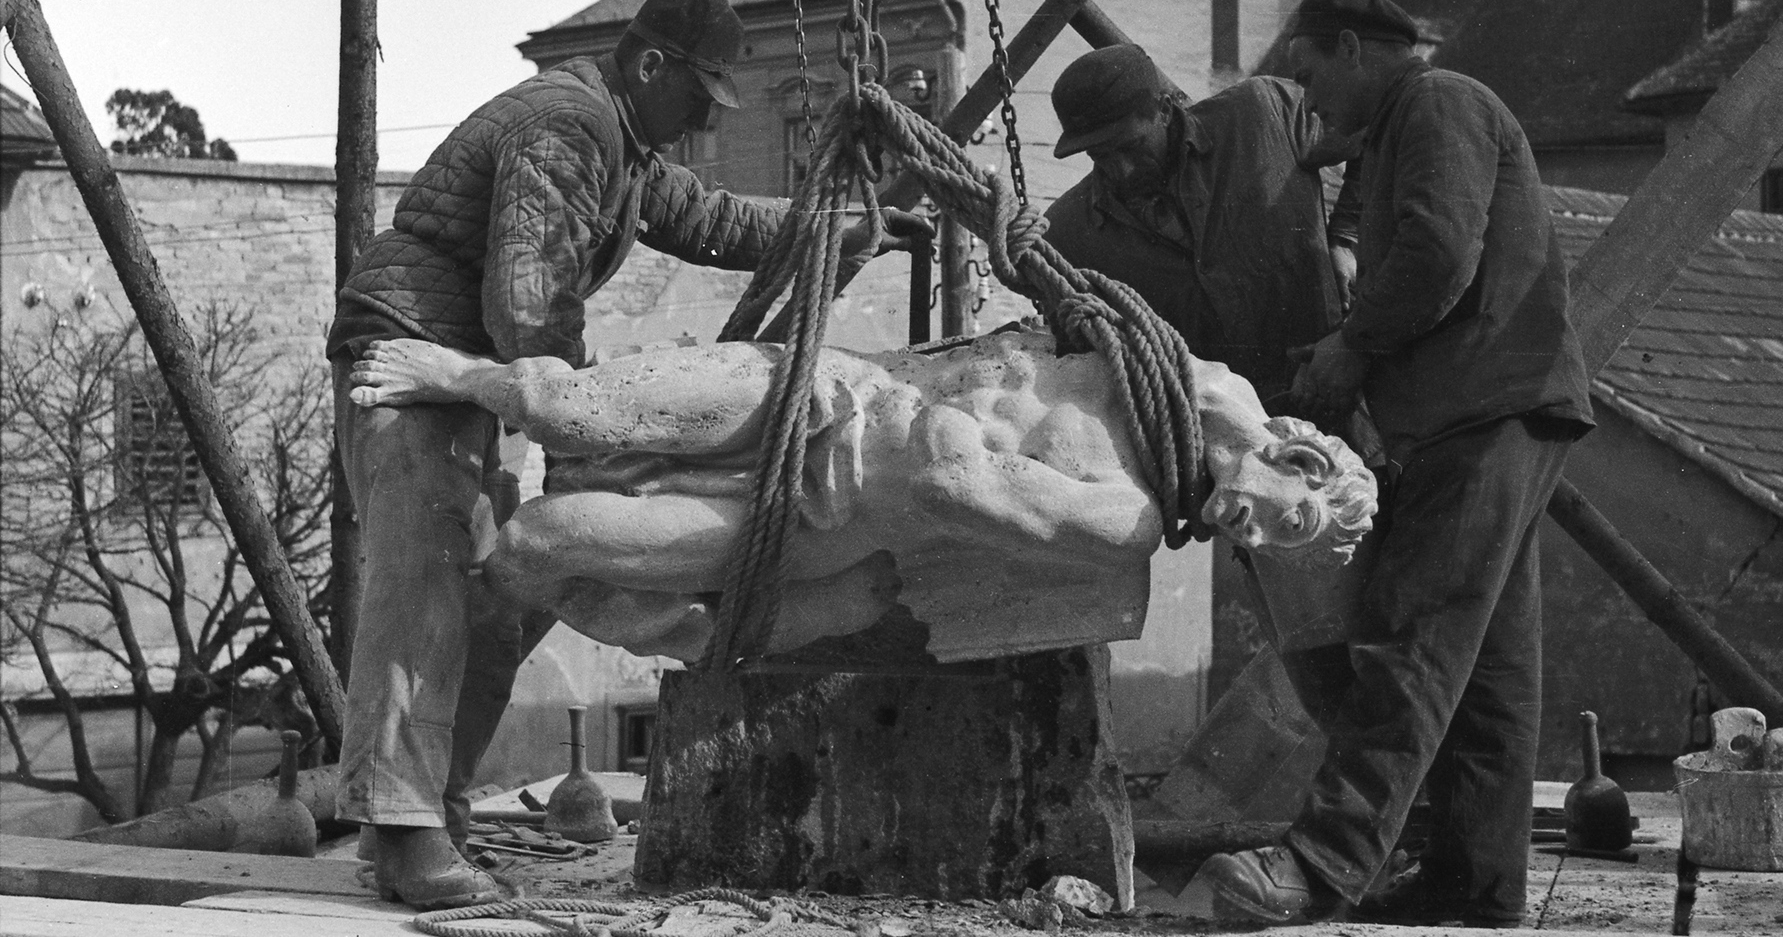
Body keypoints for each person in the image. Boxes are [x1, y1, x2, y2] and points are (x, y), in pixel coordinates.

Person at [326, 0, 927, 909]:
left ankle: (420, 812)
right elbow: (531, 297)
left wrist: (844, 231)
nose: (700, 120)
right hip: (406, 355)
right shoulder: (568, 127)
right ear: (650, 65)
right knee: (431, 571)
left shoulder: (629, 146)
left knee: (503, 593)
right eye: (699, 95)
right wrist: (576, 435)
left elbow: (717, 220)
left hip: (467, 371)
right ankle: (404, 836)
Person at [1200, 0, 1592, 928]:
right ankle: (1478, 881)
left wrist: (1353, 348)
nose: (1306, 100)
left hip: (1482, 410)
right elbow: (1408, 240)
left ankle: (1322, 864)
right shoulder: (1395, 128)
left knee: (1410, 635)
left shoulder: (1437, 101)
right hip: (1494, 409)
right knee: (1489, 670)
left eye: (1310, 76)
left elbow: (1435, 252)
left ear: (1352, 48)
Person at [341, 329, 1377, 664]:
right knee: (576, 413)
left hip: (821, 518)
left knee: (552, 540)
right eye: (1289, 513)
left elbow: (951, 476)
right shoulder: (1186, 379)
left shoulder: (1131, 522)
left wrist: (956, 417)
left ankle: (493, 553)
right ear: (1298, 463)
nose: (1258, 530)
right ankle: (450, 374)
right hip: (828, 388)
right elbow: (1203, 393)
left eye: (1274, 545)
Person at [1040, 44, 1355, 411]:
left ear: (1164, 110)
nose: (1121, 170)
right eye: (1099, 156)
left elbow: (1370, 134)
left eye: (1130, 146)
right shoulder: (1065, 235)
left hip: (1336, 383)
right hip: (1213, 434)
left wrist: (1347, 238)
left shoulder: (1264, 112)